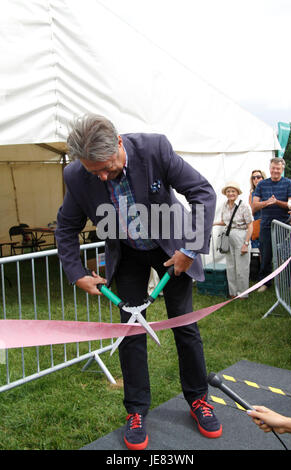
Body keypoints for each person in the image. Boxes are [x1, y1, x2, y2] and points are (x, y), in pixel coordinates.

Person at [55, 114, 222, 450]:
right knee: (131, 329)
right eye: (94, 172)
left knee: (184, 324)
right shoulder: (76, 175)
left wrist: (190, 250)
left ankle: (198, 398)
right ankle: (136, 410)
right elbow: (66, 228)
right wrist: (77, 273)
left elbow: (203, 193)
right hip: (128, 254)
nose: (102, 176)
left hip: (172, 248)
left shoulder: (154, 149)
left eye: (107, 167)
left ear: (119, 142)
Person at [252, 158, 291, 292]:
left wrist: (276, 202)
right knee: (265, 256)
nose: (275, 171)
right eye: (273, 168)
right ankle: (265, 283)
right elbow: (254, 205)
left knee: (288, 255)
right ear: (270, 168)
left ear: (282, 170)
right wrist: (266, 203)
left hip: (285, 226)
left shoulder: (288, 183)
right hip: (266, 226)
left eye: (278, 168)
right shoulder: (262, 184)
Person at [214, 182, 253, 299]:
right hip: (228, 237)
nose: (230, 193)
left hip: (241, 236)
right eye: (228, 191)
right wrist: (213, 223)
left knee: (242, 267)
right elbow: (225, 221)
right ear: (226, 193)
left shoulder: (244, 206)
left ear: (237, 193)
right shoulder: (225, 205)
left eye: (233, 191)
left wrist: (246, 243)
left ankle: (242, 293)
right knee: (230, 266)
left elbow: (250, 225)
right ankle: (233, 292)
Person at [248, 170, 266, 249]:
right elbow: (251, 210)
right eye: (253, 178)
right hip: (256, 224)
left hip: (266, 223)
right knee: (256, 251)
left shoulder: (268, 190)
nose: (256, 179)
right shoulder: (252, 193)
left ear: (263, 178)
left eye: (258, 177)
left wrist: (257, 205)